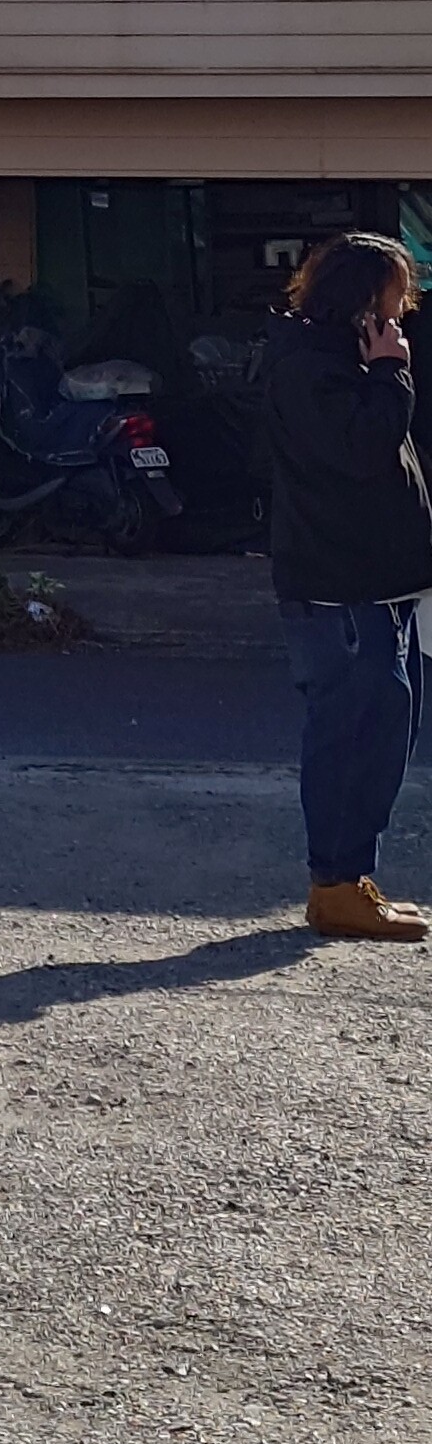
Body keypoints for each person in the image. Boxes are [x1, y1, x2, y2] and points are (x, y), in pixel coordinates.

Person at [263, 232, 432, 940]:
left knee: (383, 733)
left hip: (373, 585)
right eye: (396, 292)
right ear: (362, 297)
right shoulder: (312, 366)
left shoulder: (337, 359)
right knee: (353, 736)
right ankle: (334, 885)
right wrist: (391, 373)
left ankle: (350, 878)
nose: (405, 308)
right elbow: (362, 451)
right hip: (342, 588)